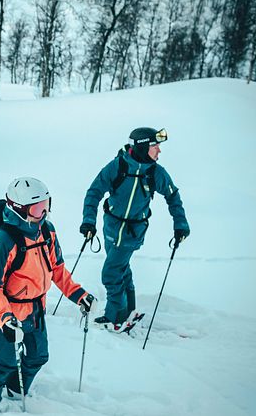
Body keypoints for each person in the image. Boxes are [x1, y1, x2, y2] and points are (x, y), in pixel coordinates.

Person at [0, 177, 95, 407]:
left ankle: (14, 388)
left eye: (47, 205)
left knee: (39, 355)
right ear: (19, 209)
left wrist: (78, 294)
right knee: (4, 361)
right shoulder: (3, 240)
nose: (45, 213)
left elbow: (57, 269)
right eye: (39, 208)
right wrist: (5, 318)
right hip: (9, 311)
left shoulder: (47, 232)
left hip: (37, 308)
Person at [80, 127, 190, 333]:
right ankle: (129, 309)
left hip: (133, 231)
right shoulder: (118, 166)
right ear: (142, 147)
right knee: (121, 268)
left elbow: (173, 197)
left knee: (111, 273)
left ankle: (115, 318)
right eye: (155, 146)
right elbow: (94, 192)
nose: (159, 151)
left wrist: (180, 224)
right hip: (111, 227)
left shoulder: (156, 172)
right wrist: (88, 221)